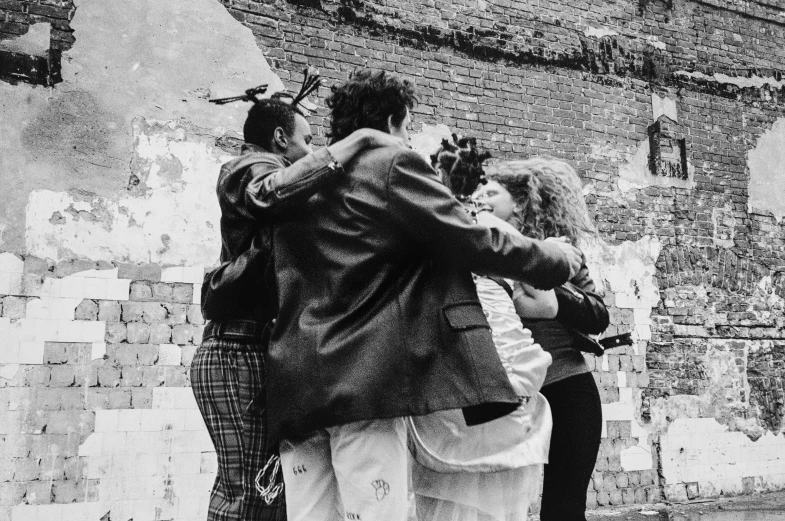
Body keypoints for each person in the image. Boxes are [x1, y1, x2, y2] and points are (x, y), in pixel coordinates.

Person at [265, 69, 583, 521]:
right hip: (360, 382)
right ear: (394, 121)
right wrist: (556, 258)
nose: (408, 136)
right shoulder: (389, 164)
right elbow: (473, 241)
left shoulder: (299, 178)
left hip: (295, 383)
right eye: (408, 125)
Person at [190, 73, 407, 521]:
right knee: (249, 491)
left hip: (247, 348)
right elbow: (268, 194)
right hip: (237, 348)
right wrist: (359, 141)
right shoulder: (249, 168)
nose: (313, 150)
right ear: (279, 138)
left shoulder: (273, 174)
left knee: (262, 489)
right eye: (307, 141)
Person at [407, 140, 555, 521]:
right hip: (496, 351)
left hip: (453, 350)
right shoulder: (486, 226)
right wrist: (506, 290)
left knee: (452, 493)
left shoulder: (421, 223)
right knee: (496, 493)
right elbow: (546, 304)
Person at [474, 157, 609, 521]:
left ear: (518, 202)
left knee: (562, 511)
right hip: (512, 398)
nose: (480, 197)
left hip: (568, 389)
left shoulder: (558, 252)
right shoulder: (478, 249)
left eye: (490, 191)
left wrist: (550, 279)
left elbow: (598, 315)